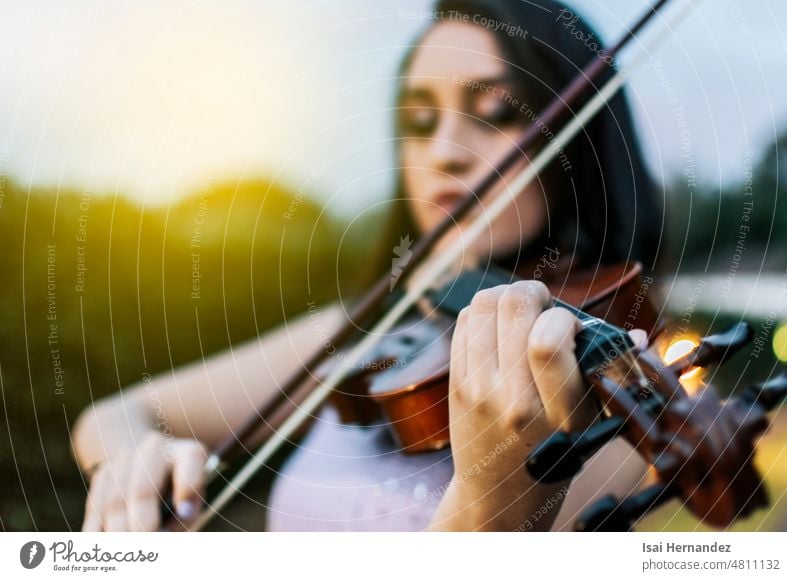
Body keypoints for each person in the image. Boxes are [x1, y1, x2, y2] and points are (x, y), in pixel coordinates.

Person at [71, 0, 662, 532]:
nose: (445, 150)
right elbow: (117, 414)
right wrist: (133, 467)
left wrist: (493, 503)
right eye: (419, 121)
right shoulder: (383, 326)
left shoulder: (607, 381)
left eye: (492, 110)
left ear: (574, 144)